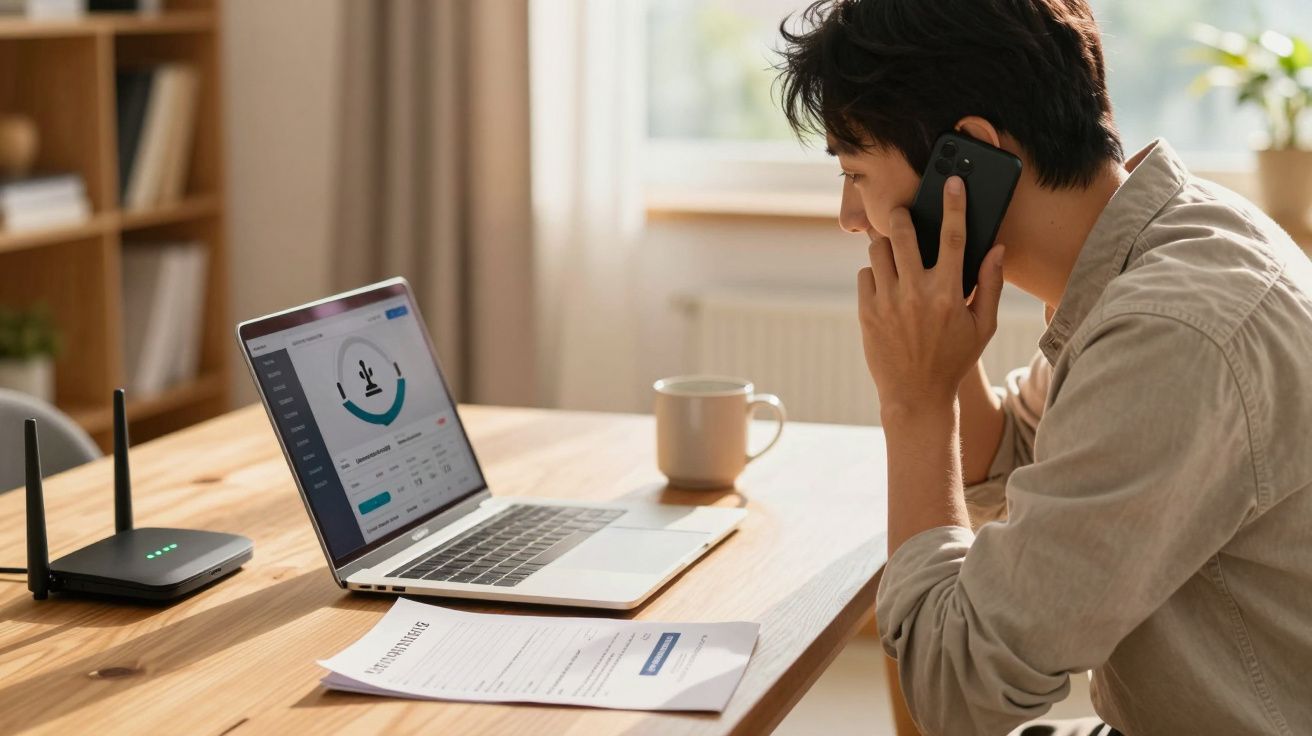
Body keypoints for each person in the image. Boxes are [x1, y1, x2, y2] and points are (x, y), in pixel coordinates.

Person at [776, 1, 1312, 734]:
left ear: (963, 157)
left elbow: (958, 692)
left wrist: (914, 406)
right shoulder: (1174, 238)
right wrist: (945, 346)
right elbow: (1018, 455)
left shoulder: (1168, 335)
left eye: (856, 172)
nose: (850, 216)